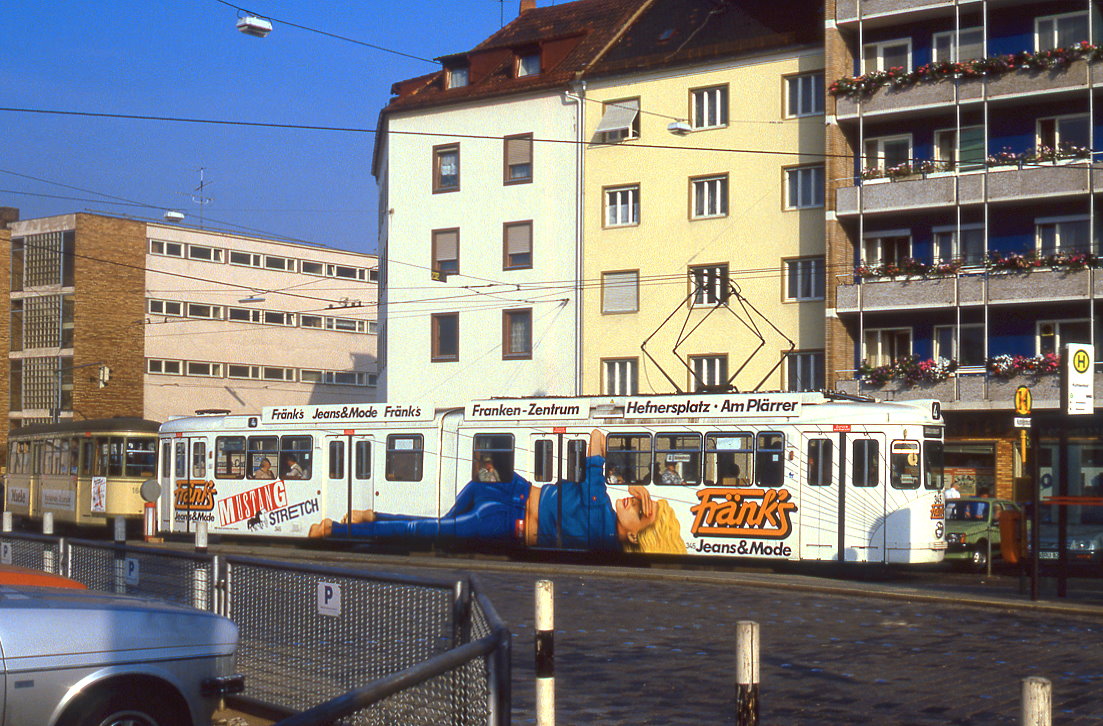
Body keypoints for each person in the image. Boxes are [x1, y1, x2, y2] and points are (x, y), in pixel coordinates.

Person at [309, 430, 685, 554]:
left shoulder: (600, 511)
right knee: (438, 528)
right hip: (514, 495)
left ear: (634, 534)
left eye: (640, 510)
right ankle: (370, 520)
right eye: (641, 500)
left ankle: (340, 530)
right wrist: (637, 494)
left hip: (509, 517)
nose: (634, 501)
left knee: (432, 530)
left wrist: (632, 482)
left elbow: (597, 437)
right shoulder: (602, 512)